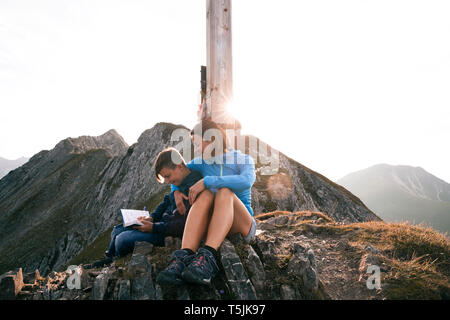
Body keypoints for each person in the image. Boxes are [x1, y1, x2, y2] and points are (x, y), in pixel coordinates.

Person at [156, 119, 256, 286]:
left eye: (196, 144)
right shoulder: (201, 163)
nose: (195, 149)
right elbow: (178, 172)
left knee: (224, 191)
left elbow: (246, 181)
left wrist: (208, 180)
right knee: (207, 194)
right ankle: (184, 256)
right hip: (216, 223)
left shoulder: (242, 159)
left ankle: (207, 259)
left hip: (241, 224)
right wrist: (176, 193)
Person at [84, 147, 202, 269]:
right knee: (117, 230)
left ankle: (114, 261)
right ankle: (109, 259)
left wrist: (154, 227)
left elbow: (184, 225)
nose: (167, 181)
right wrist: (152, 217)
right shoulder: (178, 183)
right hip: (159, 224)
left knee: (122, 240)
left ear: (179, 166)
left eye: (168, 176)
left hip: (167, 233)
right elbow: (166, 201)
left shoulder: (195, 187)